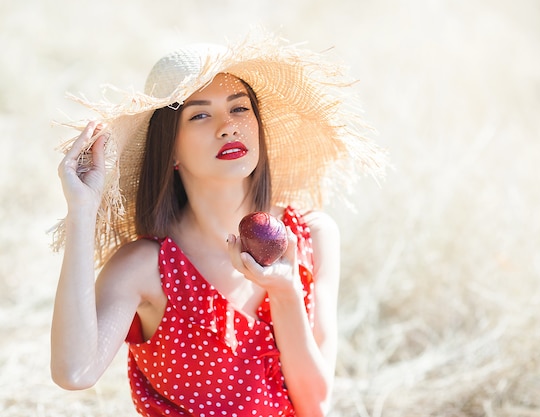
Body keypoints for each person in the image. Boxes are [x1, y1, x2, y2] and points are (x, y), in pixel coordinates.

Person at [50, 31, 386, 417]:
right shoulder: (146, 267)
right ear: (170, 148)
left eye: (240, 109)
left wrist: (286, 293)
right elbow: (74, 372)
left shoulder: (312, 235)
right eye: (201, 114)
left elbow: (316, 406)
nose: (228, 126)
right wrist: (81, 211)